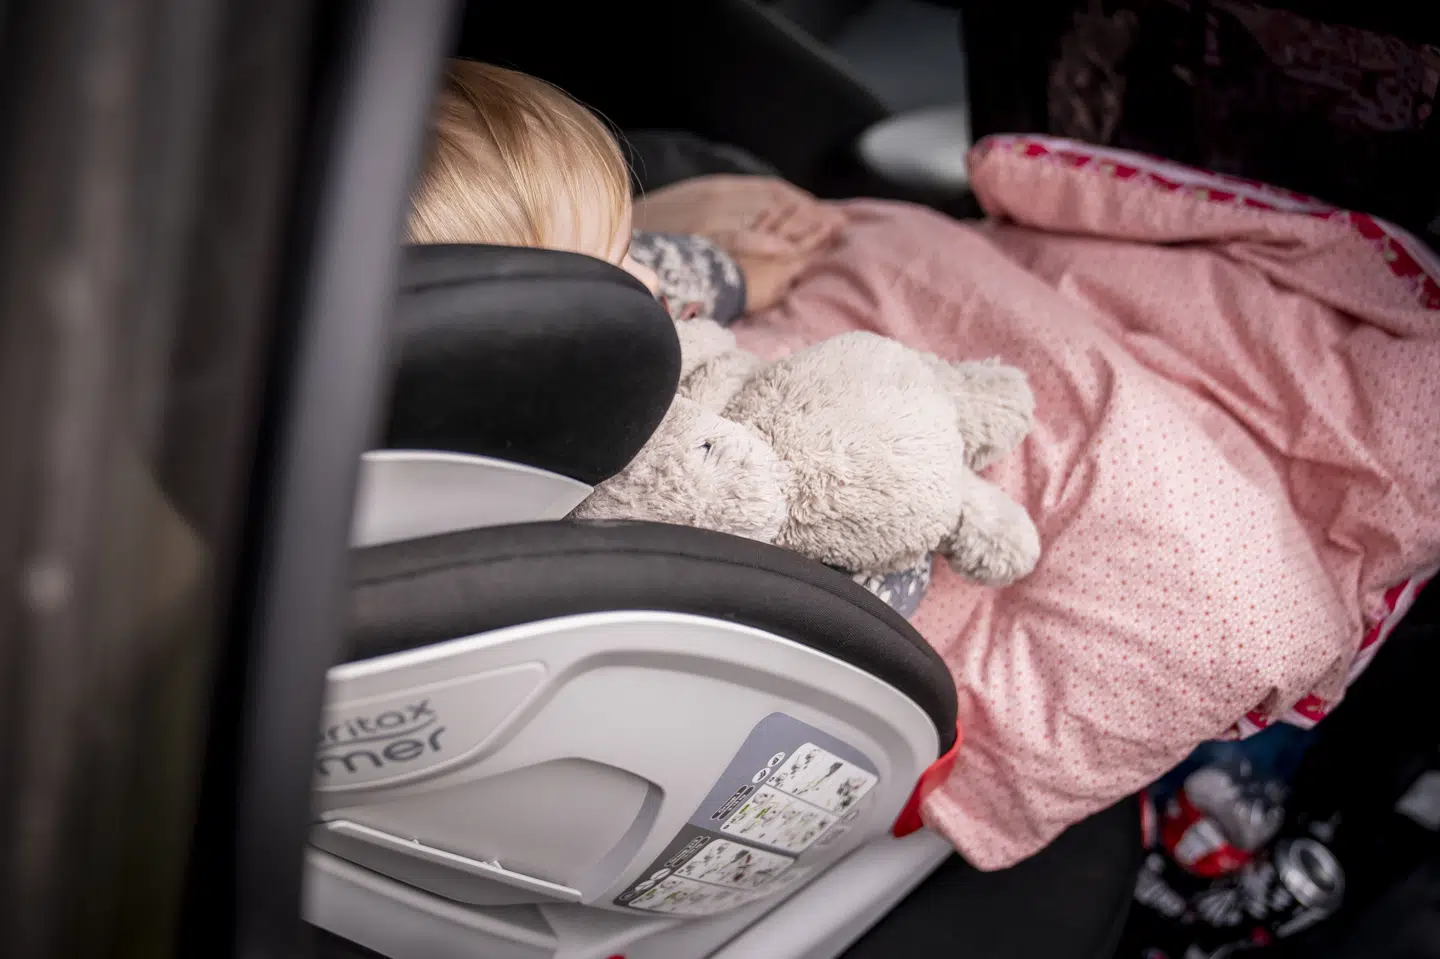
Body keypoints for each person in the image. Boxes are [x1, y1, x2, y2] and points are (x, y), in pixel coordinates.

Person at [407, 59, 846, 325]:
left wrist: (739, 277)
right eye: (615, 265)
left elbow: (666, 270)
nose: (647, 279)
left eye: (625, 249)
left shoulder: (613, 287)